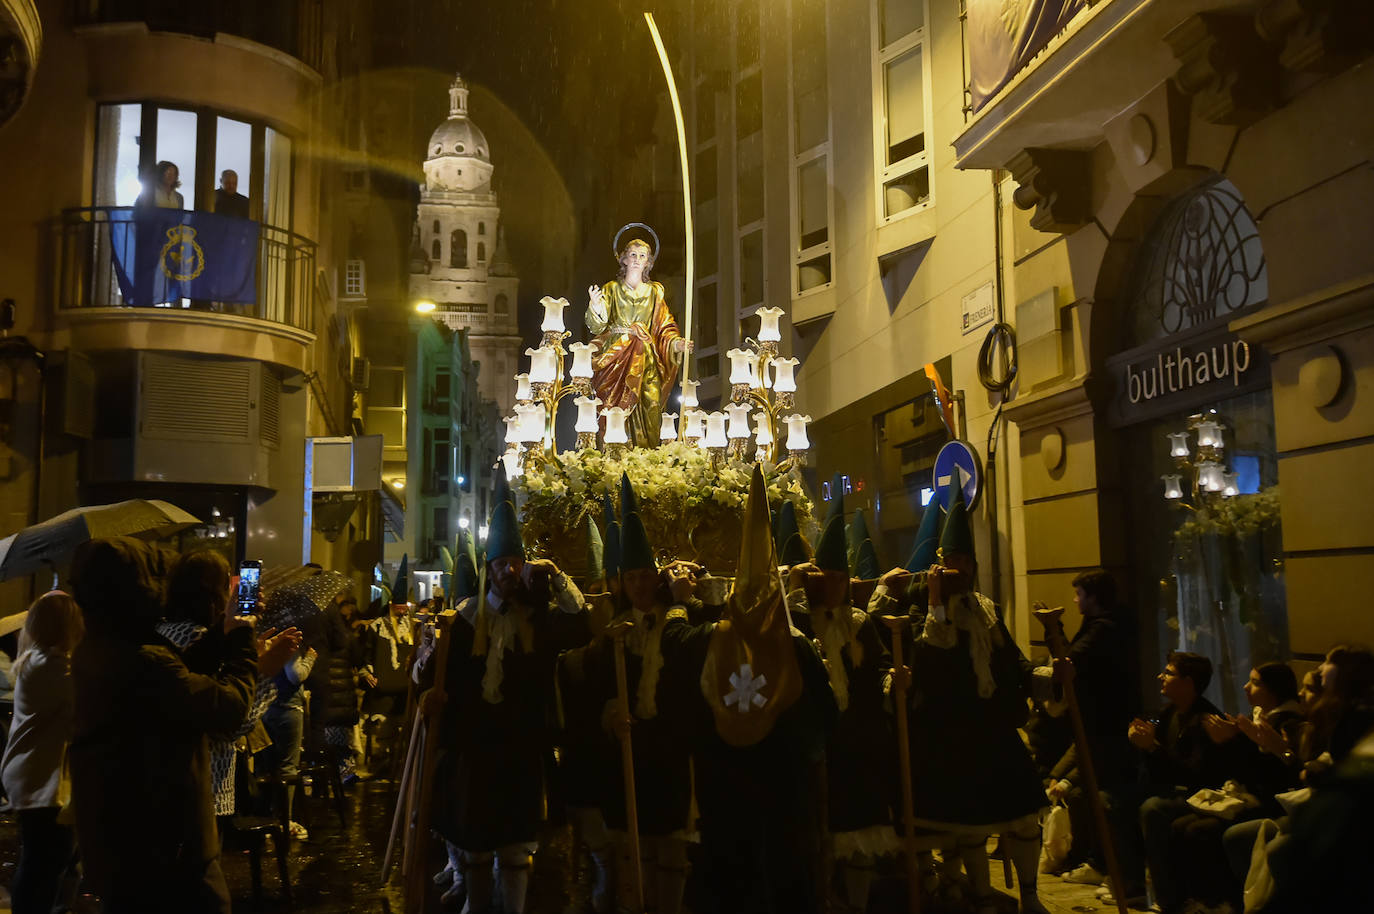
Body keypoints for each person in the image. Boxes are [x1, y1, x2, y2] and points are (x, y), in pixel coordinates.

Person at [662, 464, 838, 914]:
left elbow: (677, 647)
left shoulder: (715, 638)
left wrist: (682, 604)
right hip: (787, 796)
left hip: (727, 797)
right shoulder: (797, 645)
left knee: (731, 880)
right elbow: (828, 715)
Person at [415, 468, 587, 914]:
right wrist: (428, 694)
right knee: (475, 846)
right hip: (474, 750)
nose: (508, 572)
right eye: (500, 565)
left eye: (515, 564)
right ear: (489, 571)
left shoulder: (540, 619)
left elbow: (581, 625)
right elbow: (430, 675)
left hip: (522, 749)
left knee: (516, 848)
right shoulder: (465, 618)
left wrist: (557, 575)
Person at [68, 536, 257, 913]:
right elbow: (228, 707)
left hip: (125, 839)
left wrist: (220, 637)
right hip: (168, 847)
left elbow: (177, 681)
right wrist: (242, 647)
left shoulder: (103, 647)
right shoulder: (144, 660)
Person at [900, 481, 1050, 914]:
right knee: (968, 827)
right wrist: (936, 608)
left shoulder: (989, 610)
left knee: (1024, 818)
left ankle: (1031, 895)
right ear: (939, 564)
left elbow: (1013, 664)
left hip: (996, 731)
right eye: (952, 561)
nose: (959, 568)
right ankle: (980, 896)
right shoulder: (920, 616)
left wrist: (1046, 677)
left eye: (965, 561)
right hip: (952, 735)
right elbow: (929, 669)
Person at [562, 474, 695, 914]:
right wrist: (608, 710)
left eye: (645, 577)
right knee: (631, 850)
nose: (639, 586)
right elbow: (584, 679)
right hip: (628, 754)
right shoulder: (612, 631)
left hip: (671, 752)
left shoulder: (679, 621)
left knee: (671, 850)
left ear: (657, 579)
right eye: (631, 578)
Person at [787, 474, 896, 914]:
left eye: (839, 577)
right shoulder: (801, 622)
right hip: (814, 744)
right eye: (825, 576)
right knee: (816, 835)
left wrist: (894, 678)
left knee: (857, 837)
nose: (832, 584)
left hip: (855, 746)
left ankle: (856, 902)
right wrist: (795, 593)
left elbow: (879, 670)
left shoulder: (860, 623)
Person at [159, 550, 299, 820]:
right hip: (204, 780)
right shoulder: (196, 637)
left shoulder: (163, 631)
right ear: (215, 592)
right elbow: (233, 721)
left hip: (171, 780)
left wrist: (248, 651)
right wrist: (265, 670)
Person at [1035, 570, 1137, 886]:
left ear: (1093, 597)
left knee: (1099, 795)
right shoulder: (1102, 625)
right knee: (1082, 793)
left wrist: (1054, 628)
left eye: (1079, 594)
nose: (1076, 600)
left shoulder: (1106, 629)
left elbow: (1070, 662)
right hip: (1096, 724)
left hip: (1106, 724)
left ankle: (1111, 868)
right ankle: (1095, 859)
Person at [1, 591, 83, 914]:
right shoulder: (54, 668)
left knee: (51, 859)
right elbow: (90, 701)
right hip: (41, 782)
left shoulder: (35, 661)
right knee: (46, 863)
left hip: (33, 776)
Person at [585, 233, 692, 447]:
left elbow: (664, 325)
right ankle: (616, 452)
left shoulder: (655, 292)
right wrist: (596, 307)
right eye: (632, 254)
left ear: (648, 262)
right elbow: (597, 326)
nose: (636, 259)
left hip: (646, 357)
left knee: (650, 404)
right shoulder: (611, 289)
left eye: (642, 255)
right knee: (614, 406)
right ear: (623, 259)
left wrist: (675, 343)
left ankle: (648, 453)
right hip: (617, 355)